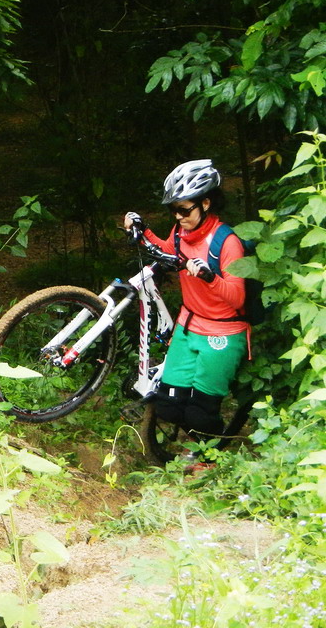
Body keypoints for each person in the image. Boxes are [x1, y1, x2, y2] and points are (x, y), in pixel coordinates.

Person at [123, 159, 250, 470]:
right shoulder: (181, 232)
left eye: (184, 210)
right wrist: (142, 229)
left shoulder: (227, 243)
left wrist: (209, 276)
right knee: (168, 405)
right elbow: (169, 250)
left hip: (222, 333)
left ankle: (209, 460)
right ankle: (196, 447)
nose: (179, 217)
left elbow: (237, 297)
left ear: (206, 203)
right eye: (174, 211)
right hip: (188, 325)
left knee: (200, 412)